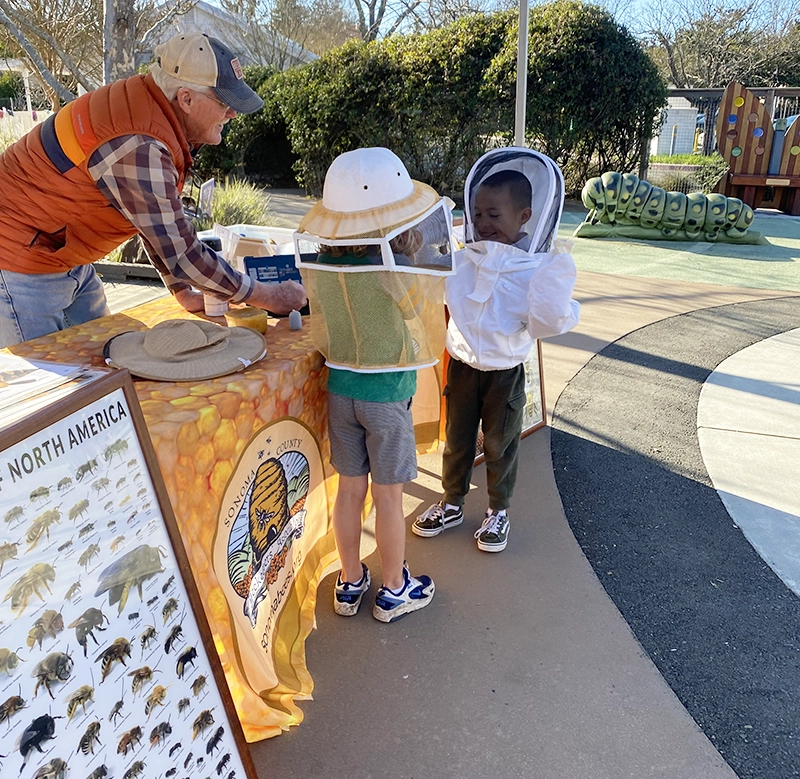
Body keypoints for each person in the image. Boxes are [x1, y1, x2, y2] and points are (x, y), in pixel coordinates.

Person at [0, 32, 306, 348]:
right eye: (225, 102)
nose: (233, 114)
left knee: (107, 368)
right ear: (186, 98)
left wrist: (181, 291)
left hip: (62, 251)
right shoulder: (138, 143)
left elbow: (150, 218)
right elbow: (185, 255)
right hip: (19, 260)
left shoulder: (146, 109)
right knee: (50, 389)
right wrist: (268, 295)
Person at [294, 147, 453, 622]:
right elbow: (416, 314)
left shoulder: (327, 267)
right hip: (386, 395)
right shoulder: (390, 269)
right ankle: (394, 587)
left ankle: (348, 581)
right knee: (388, 495)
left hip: (341, 389)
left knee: (349, 489)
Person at [413, 150, 580, 553]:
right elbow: (427, 275)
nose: (483, 223)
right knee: (456, 439)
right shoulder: (465, 256)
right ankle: (452, 501)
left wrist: (554, 286)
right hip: (464, 366)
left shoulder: (537, 266)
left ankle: (498, 510)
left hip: (506, 371)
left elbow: (548, 322)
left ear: (525, 216)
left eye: (494, 215)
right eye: (478, 215)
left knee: (500, 443)